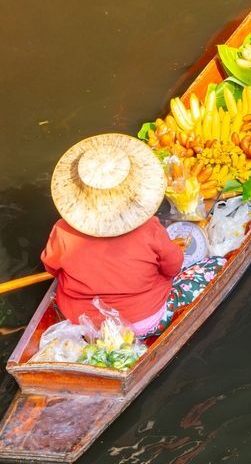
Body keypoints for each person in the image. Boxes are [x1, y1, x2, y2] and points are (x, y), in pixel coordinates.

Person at [41, 133, 225, 338]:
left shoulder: (62, 230)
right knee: (217, 264)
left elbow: (52, 268)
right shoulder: (149, 228)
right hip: (142, 321)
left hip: (85, 324)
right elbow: (173, 267)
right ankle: (148, 331)